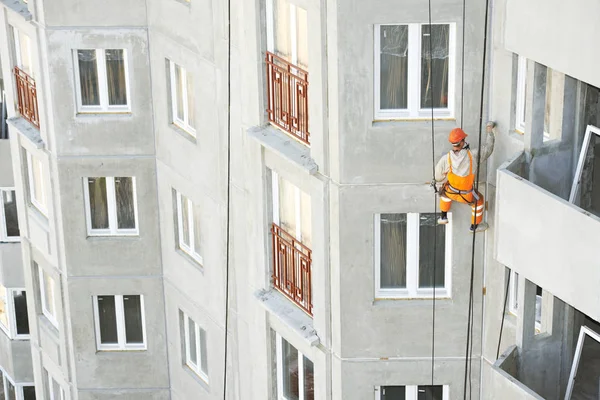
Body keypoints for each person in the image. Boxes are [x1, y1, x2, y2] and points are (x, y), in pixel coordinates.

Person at [433, 122, 496, 231]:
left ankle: (443, 216)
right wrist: (490, 132)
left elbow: (438, 176)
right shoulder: (473, 155)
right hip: (467, 196)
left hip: (451, 192)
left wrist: (441, 178)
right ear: (462, 142)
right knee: (479, 200)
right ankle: (474, 226)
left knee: (444, 188)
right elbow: (488, 149)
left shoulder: (446, 158)